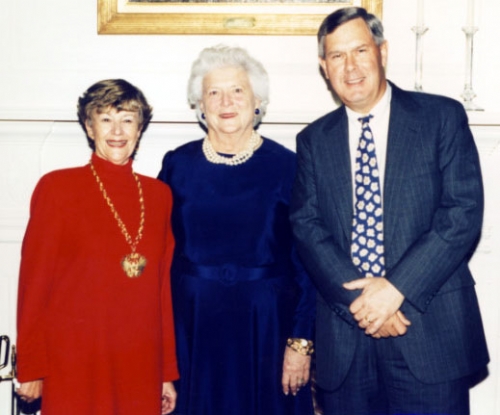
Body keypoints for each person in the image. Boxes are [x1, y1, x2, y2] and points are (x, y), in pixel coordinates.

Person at [290, 7, 489, 415]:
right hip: (346, 339)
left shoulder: (441, 117)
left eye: (360, 50)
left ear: (383, 52)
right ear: (324, 68)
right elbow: (307, 228)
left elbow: (461, 213)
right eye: (337, 56)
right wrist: (365, 304)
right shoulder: (313, 140)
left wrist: (395, 290)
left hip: (428, 327)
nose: (350, 67)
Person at [158, 45, 316, 415]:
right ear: (200, 105)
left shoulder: (288, 166)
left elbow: (309, 262)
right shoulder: (177, 165)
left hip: (268, 329)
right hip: (191, 328)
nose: (226, 101)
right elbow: (158, 253)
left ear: (257, 101)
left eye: (238, 91)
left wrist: (302, 341)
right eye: (214, 92)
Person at [16, 79, 179, 415]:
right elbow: (34, 286)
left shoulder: (159, 196)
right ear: (89, 128)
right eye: (105, 119)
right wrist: (31, 368)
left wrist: (166, 373)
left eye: (127, 120)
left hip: (139, 361)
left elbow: (162, 290)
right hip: (74, 361)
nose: (117, 131)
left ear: (140, 128)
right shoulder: (57, 188)